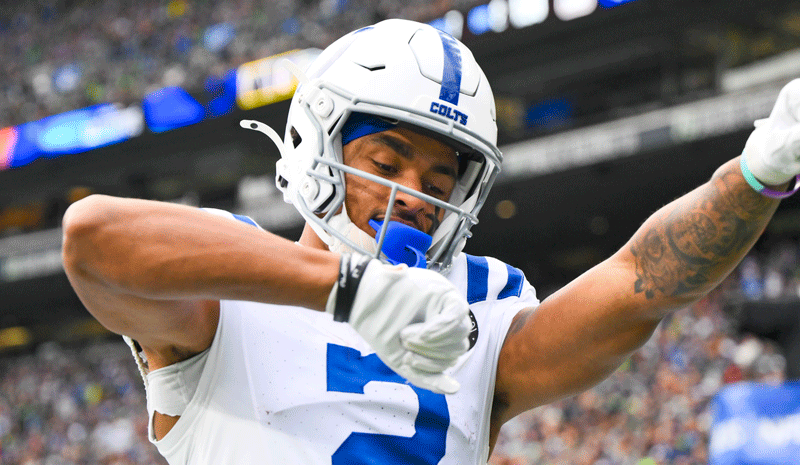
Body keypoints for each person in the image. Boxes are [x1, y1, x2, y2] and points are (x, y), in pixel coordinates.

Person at [60, 19, 800, 465]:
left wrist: (757, 172)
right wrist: (348, 288)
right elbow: (93, 237)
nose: (414, 194)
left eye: (440, 178)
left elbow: (642, 280)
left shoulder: (482, 302)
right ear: (320, 143)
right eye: (385, 163)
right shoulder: (230, 284)